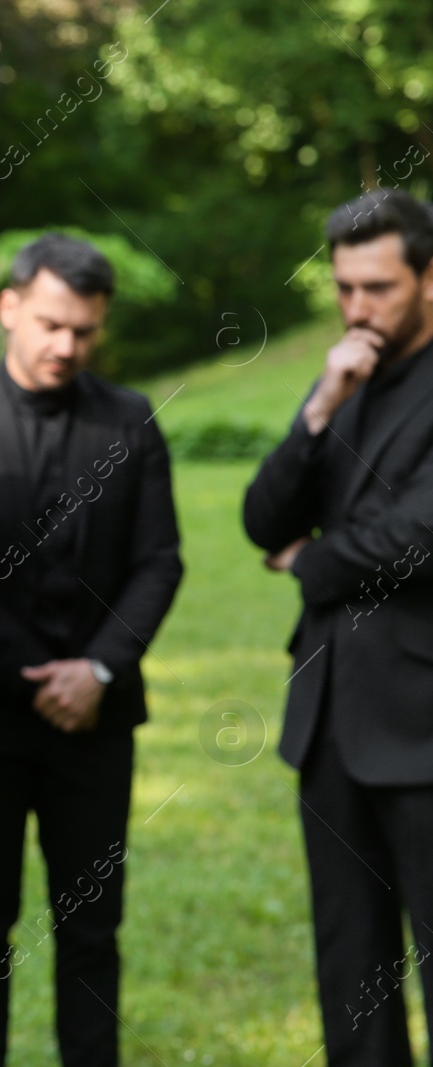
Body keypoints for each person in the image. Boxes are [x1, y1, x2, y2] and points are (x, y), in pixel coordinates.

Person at [0, 233, 182, 1067]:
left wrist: (98, 669)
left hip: (97, 722)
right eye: (50, 324)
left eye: (84, 330)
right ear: (8, 309)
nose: (66, 345)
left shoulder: (130, 419)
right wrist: (32, 671)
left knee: (91, 925)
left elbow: (159, 560)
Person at [243, 188, 433, 1067]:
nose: (358, 308)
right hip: (328, 723)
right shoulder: (346, 379)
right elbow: (261, 515)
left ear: (429, 280)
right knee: (348, 969)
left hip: (425, 729)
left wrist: (310, 562)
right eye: (346, 287)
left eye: (379, 287)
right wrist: (320, 403)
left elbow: (418, 535)